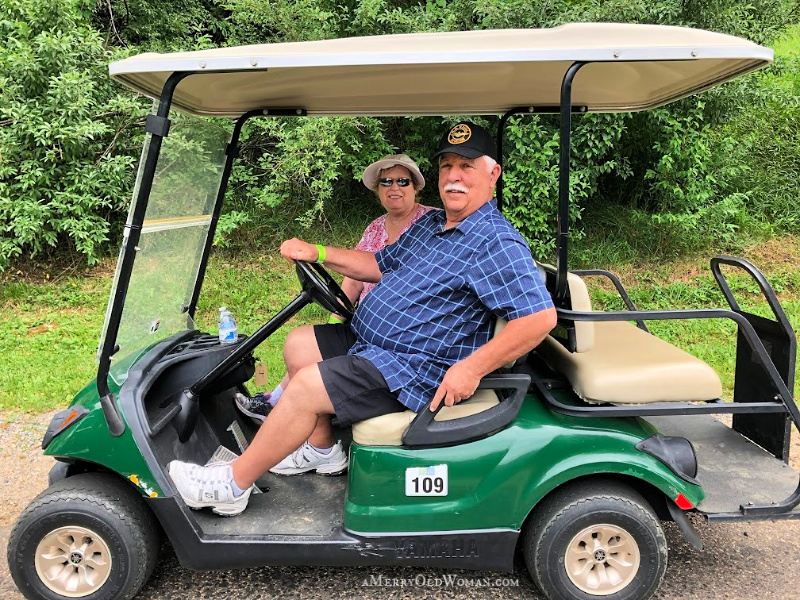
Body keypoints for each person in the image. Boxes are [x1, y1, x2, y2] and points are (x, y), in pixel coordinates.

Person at [168, 121, 558, 516]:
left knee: (304, 387)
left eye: (468, 166)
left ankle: (232, 484)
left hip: (415, 369)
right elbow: (376, 264)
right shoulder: (430, 224)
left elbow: (539, 317)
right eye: (447, 165)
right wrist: (317, 251)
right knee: (300, 344)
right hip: (375, 345)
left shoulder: (495, 241)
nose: (454, 176)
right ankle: (321, 450)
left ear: (493, 173)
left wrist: (472, 369)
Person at [234, 154, 434, 425]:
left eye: (403, 181)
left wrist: (317, 252)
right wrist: (336, 317)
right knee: (303, 344)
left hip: (400, 332)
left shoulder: (431, 223)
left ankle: (281, 409)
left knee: (311, 354)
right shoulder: (376, 227)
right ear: (378, 189)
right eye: (386, 181)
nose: (394, 188)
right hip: (366, 324)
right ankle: (277, 404)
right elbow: (355, 278)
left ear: (416, 187)